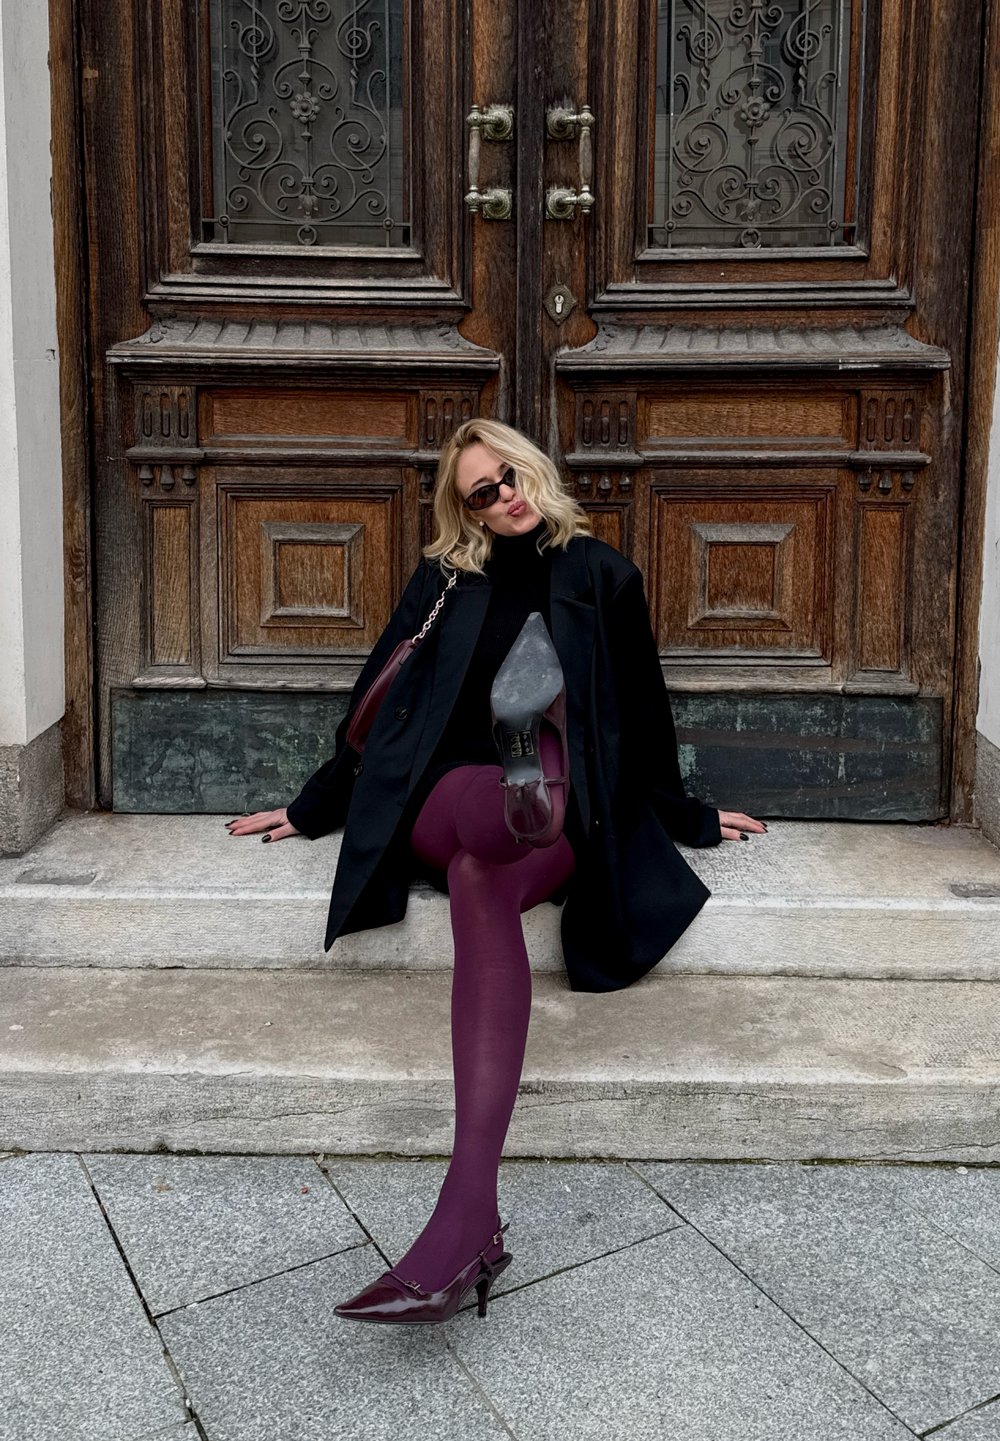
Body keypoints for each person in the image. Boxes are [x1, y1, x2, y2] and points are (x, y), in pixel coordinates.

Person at [227, 418, 766, 1325]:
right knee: (485, 817)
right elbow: (378, 700)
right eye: (481, 489)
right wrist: (316, 804)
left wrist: (687, 815)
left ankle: (467, 1219)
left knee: (486, 879)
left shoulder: (601, 575)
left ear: (536, 470)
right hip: (446, 796)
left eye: (510, 475)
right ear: (463, 508)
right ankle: (529, 781)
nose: (504, 494)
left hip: (553, 825)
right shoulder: (447, 580)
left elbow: (642, 710)